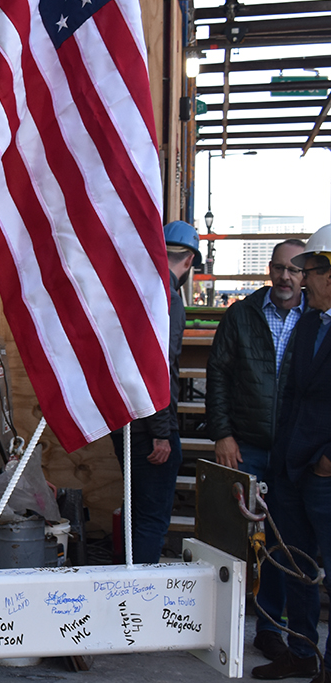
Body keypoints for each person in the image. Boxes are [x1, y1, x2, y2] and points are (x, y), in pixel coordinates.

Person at [206, 239, 306, 663]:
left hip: (291, 452)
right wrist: (223, 434)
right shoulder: (242, 315)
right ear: (269, 269)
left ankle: (270, 630)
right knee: (236, 542)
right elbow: (218, 377)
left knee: (284, 544)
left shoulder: (316, 320)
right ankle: (223, 629)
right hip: (244, 446)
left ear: (306, 276)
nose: (285, 277)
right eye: (279, 268)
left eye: (294, 270)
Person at [257, 224, 331, 683]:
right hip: (292, 467)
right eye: (310, 271)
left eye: (316, 270)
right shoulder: (309, 324)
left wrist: (327, 463)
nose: (308, 279)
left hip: (322, 471)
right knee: (295, 562)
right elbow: (294, 396)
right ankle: (303, 653)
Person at [110, 220, 197, 565]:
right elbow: (157, 368)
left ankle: (121, 595)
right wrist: (162, 432)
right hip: (150, 428)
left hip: (124, 422)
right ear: (188, 260)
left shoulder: (135, 294)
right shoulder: (168, 300)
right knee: (149, 520)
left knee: (135, 514)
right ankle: (137, 600)